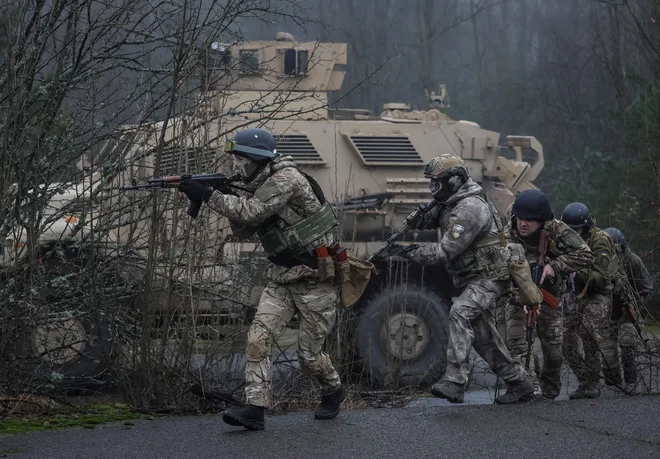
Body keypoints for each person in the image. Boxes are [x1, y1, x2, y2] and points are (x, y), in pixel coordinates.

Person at [178, 128, 345, 430]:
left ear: (259, 160)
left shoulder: (286, 179)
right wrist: (224, 196)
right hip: (282, 277)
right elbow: (243, 227)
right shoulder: (263, 185)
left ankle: (333, 389)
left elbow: (252, 212)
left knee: (309, 358)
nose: (239, 168)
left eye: (243, 161)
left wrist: (210, 195)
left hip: (314, 278)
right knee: (257, 339)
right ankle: (255, 409)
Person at [393, 153, 534, 404]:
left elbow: (444, 251)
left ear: (454, 181)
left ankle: (455, 381)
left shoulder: (470, 208)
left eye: (437, 183)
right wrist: (418, 218)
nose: (433, 188)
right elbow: (432, 219)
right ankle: (518, 381)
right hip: (475, 276)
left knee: (460, 312)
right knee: (482, 334)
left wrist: (409, 252)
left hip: (491, 275)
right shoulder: (450, 202)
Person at [503, 190, 593, 400]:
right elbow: (500, 271)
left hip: (550, 297)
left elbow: (587, 254)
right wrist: (519, 296)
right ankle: (529, 388)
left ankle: (549, 389)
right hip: (518, 296)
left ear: (542, 221)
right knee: (518, 342)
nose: (523, 224)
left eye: (530, 220)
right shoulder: (508, 235)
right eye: (520, 218)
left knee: (553, 353)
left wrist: (556, 265)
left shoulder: (557, 230)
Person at [561, 202, 621, 399]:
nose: (572, 233)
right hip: (575, 291)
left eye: (575, 229)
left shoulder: (600, 240)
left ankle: (592, 383)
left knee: (588, 329)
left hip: (598, 292)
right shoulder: (565, 238)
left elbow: (603, 276)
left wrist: (579, 272)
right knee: (564, 339)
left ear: (585, 227)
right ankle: (585, 379)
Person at [604, 227, 653, 392]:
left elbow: (647, 290)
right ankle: (614, 380)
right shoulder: (599, 261)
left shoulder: (633, 261)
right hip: (607, 311)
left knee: (627, 342)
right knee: (607, 350)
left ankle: (631, 382)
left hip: (628, 311)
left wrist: (635, 305)